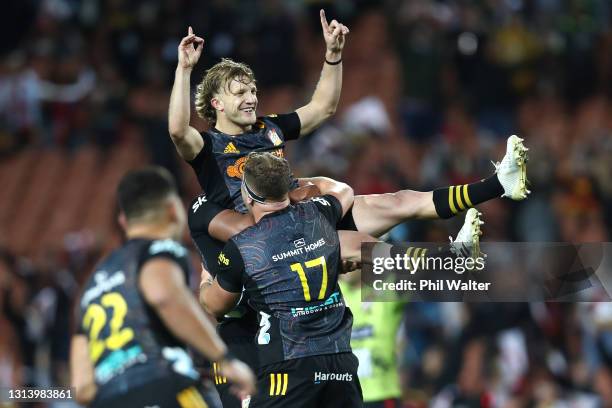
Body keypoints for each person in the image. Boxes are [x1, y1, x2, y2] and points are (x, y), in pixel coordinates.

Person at [169, 10, 525, 406]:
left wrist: (333, 55)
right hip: (264, 251)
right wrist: (184, 70)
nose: (251, 96)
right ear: (216, 102)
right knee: (360, 246)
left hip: (298, 230)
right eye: (239, 92)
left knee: (398, 203)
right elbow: (177, 131)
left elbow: (322, 108)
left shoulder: (269, 128)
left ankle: (496, 186)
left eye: (252, 88)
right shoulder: (208, 147)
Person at [199, 152, 484, 407]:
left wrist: (206, 275)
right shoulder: (317, 213)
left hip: (288, 367)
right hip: (340, 366)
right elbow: (343, 191)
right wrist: (305, 184)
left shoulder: (244, 246)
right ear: (288, 189)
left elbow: (215, 306)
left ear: (248, 197)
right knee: (355, 244)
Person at [69, 167, 255, 407]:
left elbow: (82, 387)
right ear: (173, 210)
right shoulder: (158, 251)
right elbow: (163, 295)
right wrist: (225, 359)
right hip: (164, 386)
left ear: (123, 222)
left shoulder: (90, 287)